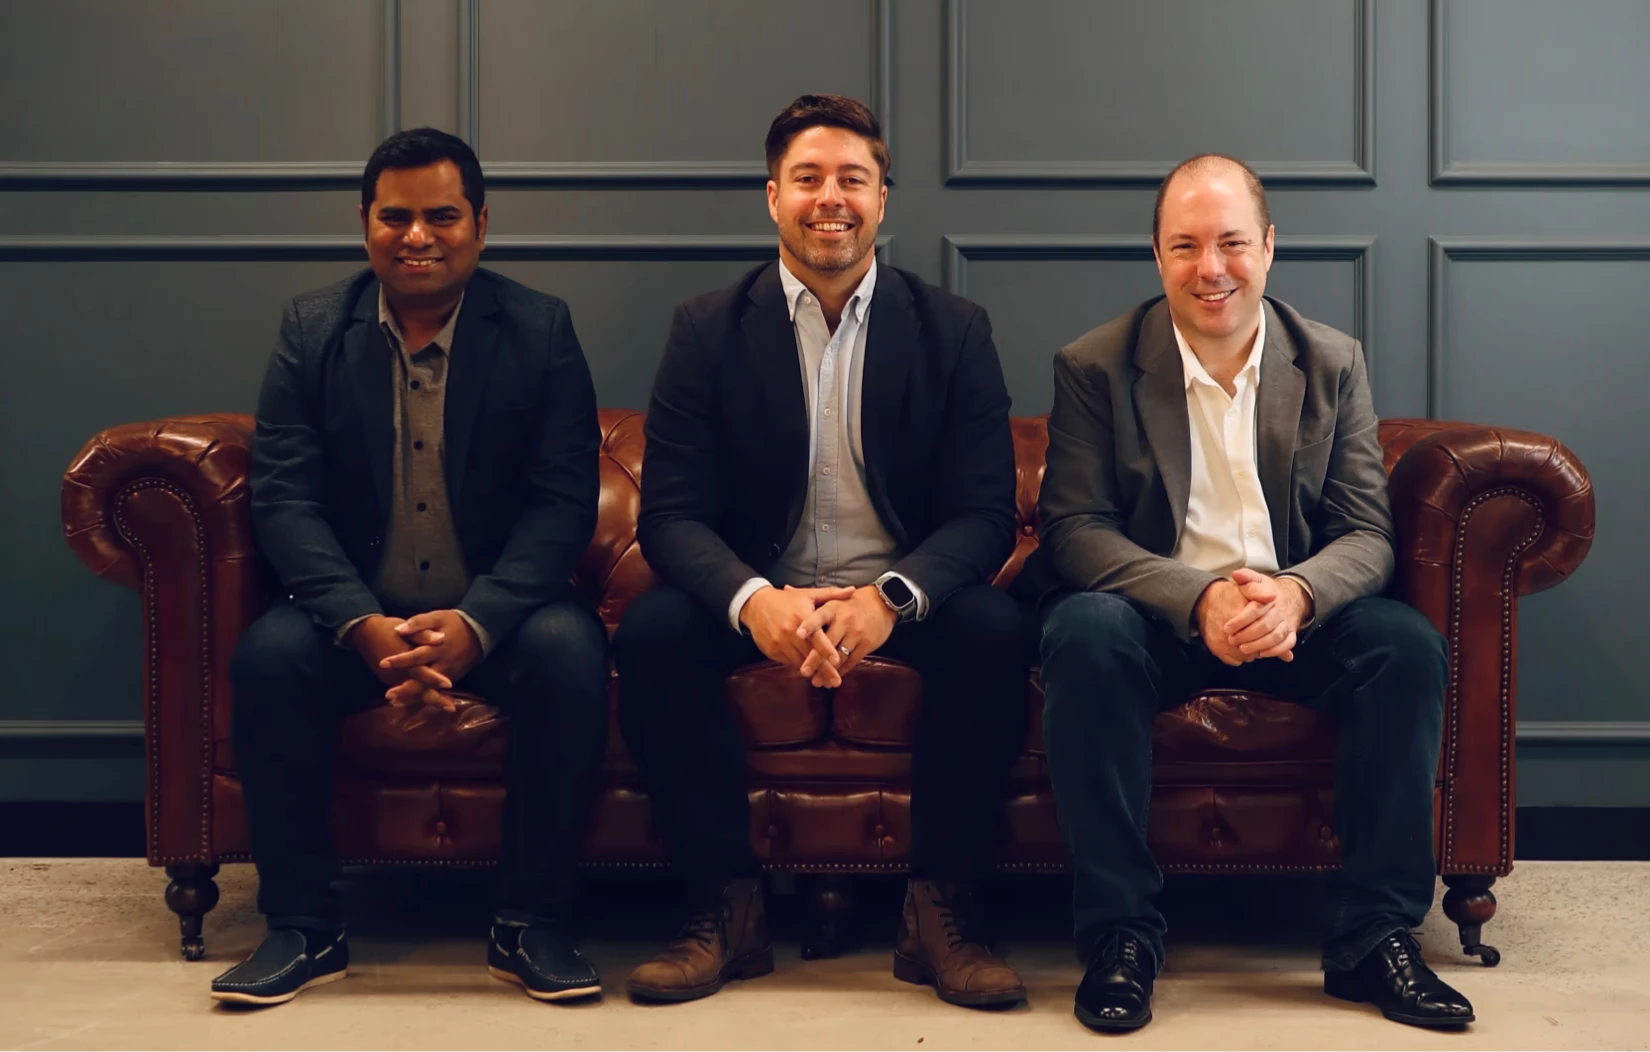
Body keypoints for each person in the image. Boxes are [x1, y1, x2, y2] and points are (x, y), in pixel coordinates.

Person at [1030, 154, 1474, 1032]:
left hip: (1291, 619)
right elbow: (1075, 531)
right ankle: (1121, 934)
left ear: (1268, 248)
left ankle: (1374, 934)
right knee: (1083, 631)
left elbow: (1365, 532)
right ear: (1157, 257)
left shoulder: (1331, 361)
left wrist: (1298, 597)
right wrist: (1199, 601)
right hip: (1156, 618)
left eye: (1232, 242)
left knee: (1405, 646)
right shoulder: (1095, 365)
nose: (1212, 268)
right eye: (1186, 246)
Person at [614, 94, 1032, 1008]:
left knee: (997, 629)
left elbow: (984, 514)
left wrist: (888, 599)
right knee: (652, 633)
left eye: (852, 179)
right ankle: (722, 906)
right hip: (762, 593)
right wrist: (754, 600)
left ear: (884, 199)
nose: (829, 197)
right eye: (807, 178)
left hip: (897, 598)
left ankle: (942, 911)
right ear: (773, 196)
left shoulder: (953, 329)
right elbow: (673, 515)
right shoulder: (705, 329)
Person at [211, 128, 609, 1006]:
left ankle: (530, 925)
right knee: (268, 661)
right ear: (365, 225)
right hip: (353, 613)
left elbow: (561, 505)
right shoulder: (312, 329)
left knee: (571, 655)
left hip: (500, 617)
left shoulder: (539, 329)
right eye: (396, 217)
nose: (417, 235)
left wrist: (475, 626)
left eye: (441, 216)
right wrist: (361, 623)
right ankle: (304, 930)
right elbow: (285, 498)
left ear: (480, 224)